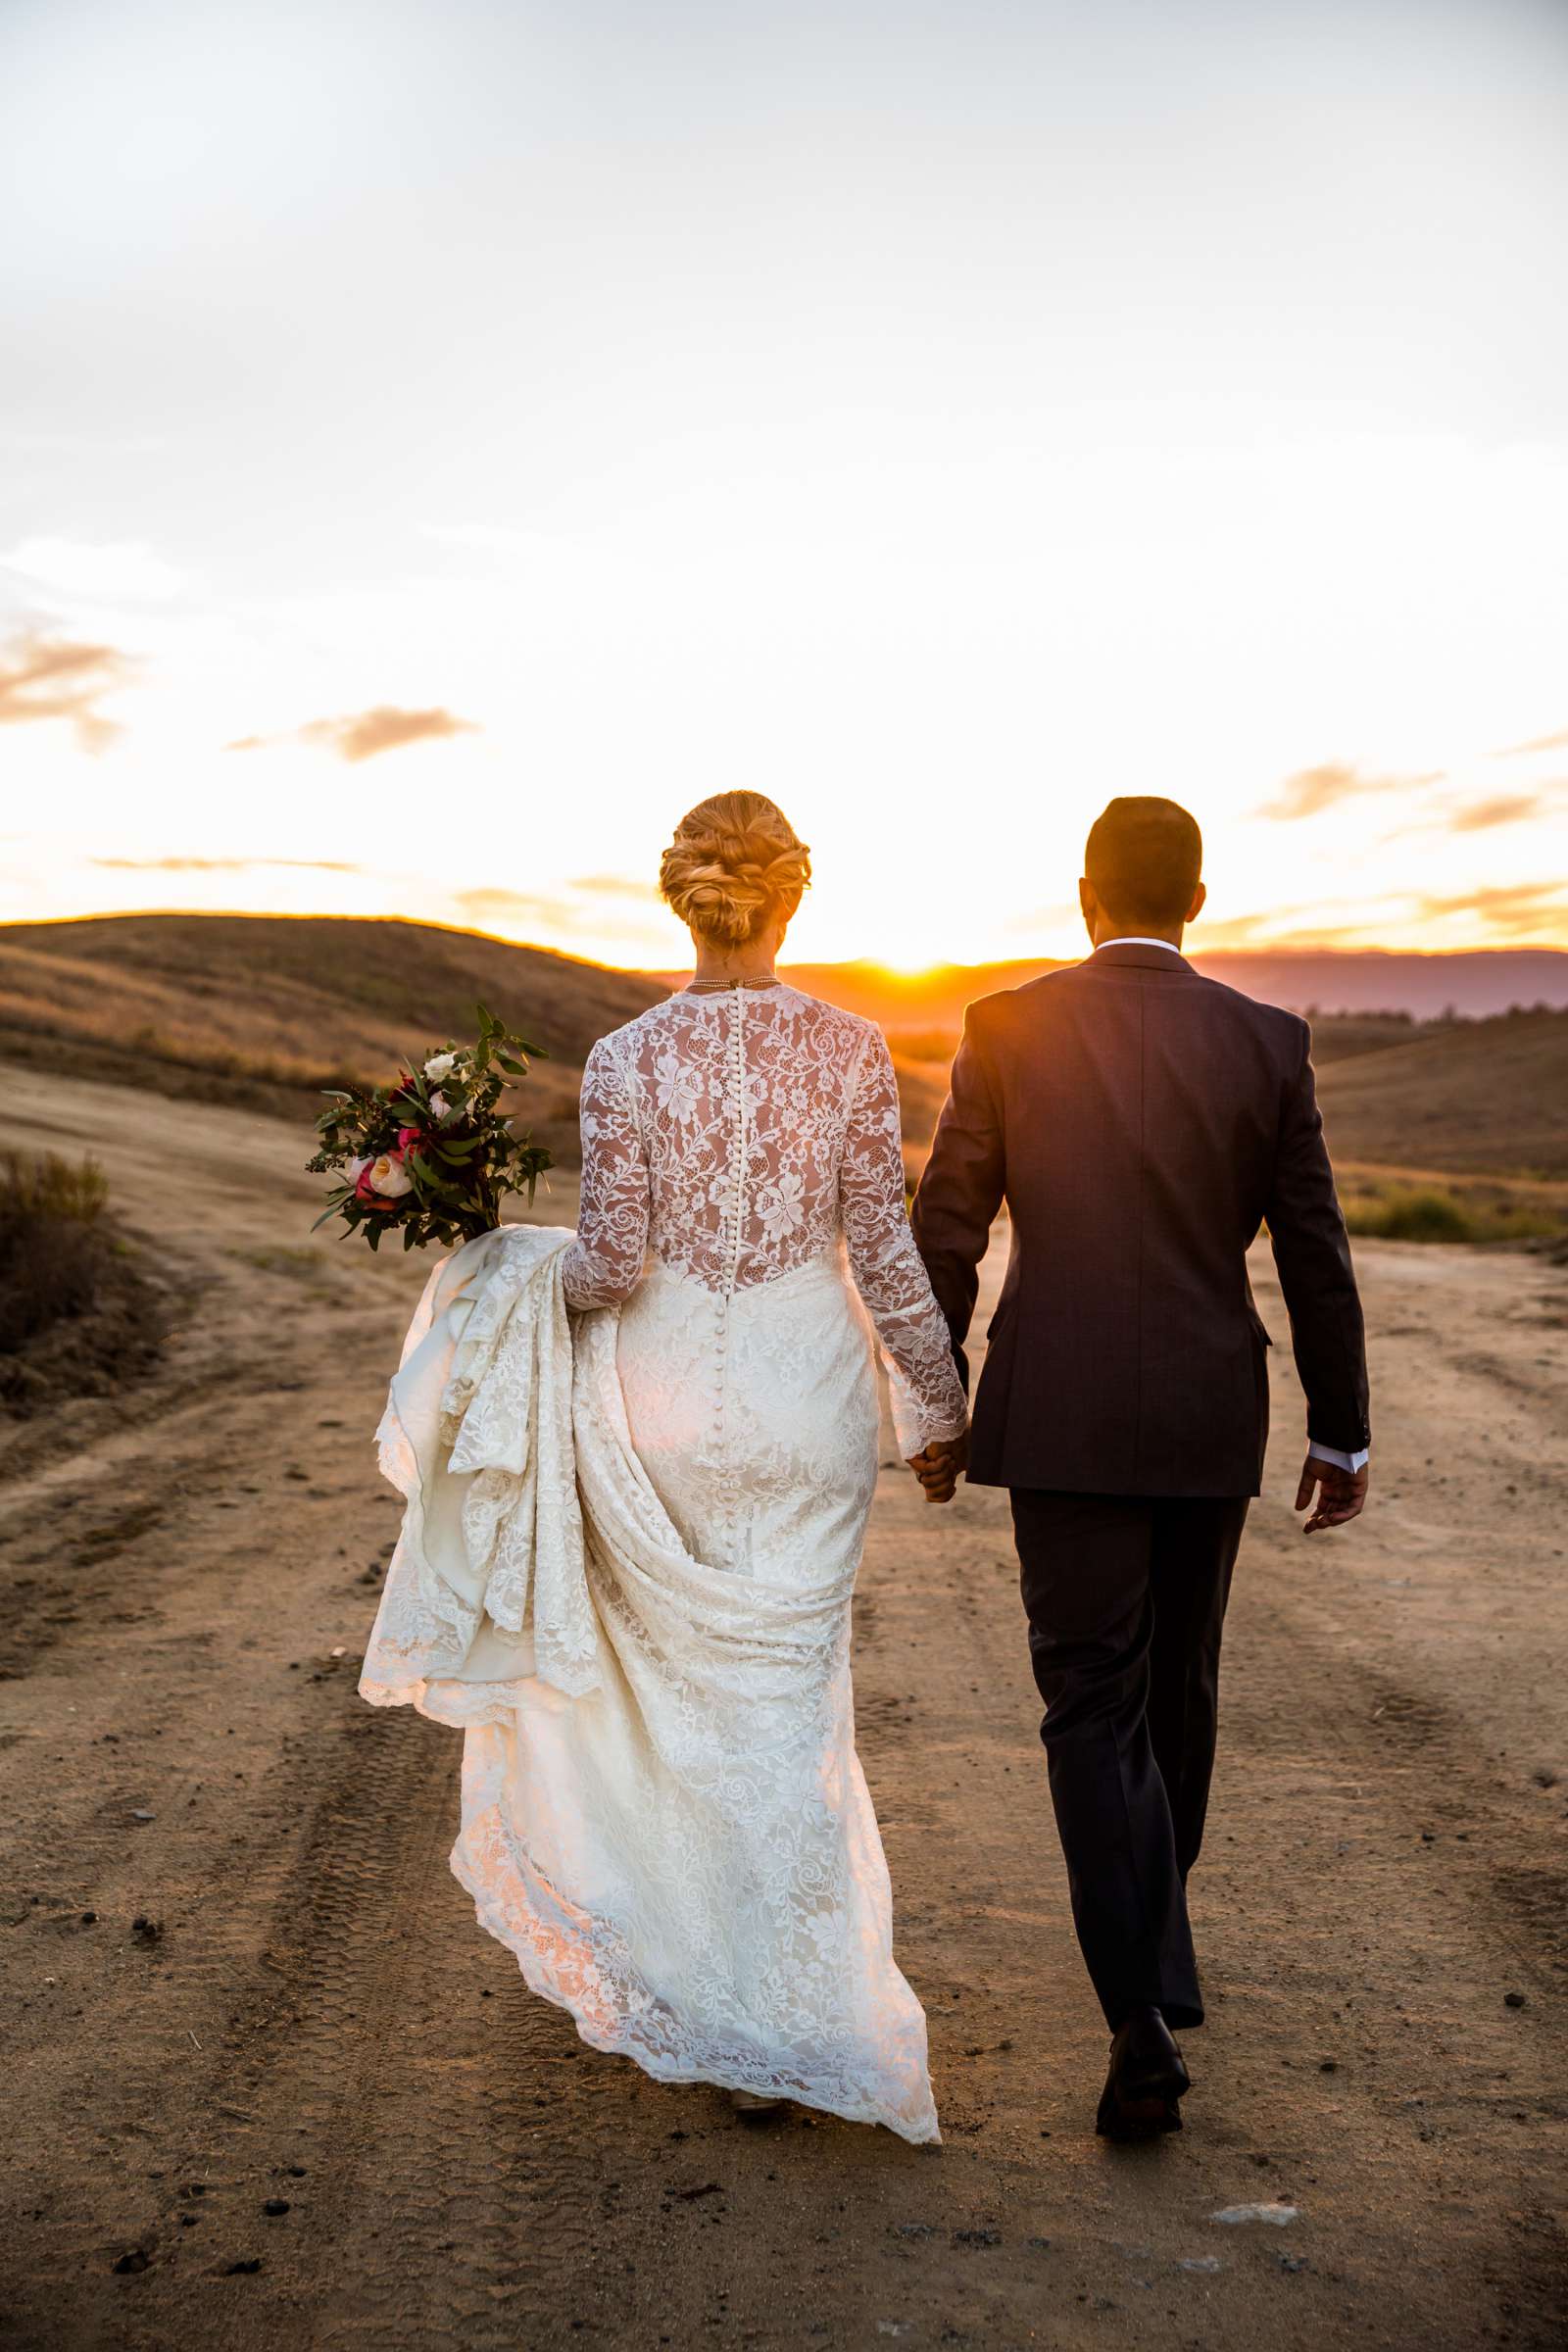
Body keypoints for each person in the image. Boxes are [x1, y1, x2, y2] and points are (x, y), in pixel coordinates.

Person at [363, 790, 966, 2142]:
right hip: (808, 1403)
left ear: (680, 900)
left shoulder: (628, 1058)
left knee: (684, 1707)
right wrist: (937, 1402)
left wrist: (503, 1267)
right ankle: (799, 2010)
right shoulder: (857, 1048)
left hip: (663, 1395)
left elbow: (614, 1264)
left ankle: (717, 1994)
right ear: (793, 897)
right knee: (791, 1702)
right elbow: (883, 1252)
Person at [909, 795, 1370, 2138]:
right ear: (1200, 900)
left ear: (1086, 898)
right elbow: (1313, 1248)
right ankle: (1153, 1981)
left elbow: (949, 1225)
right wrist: (1339, 1427)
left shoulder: (1004, 1027)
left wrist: (932, 1400)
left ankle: (1139, 2010)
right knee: (1180, 1689)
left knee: (1088, 1701)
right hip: (1204, 1414)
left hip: (1055, 1413)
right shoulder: (1265, 1041)